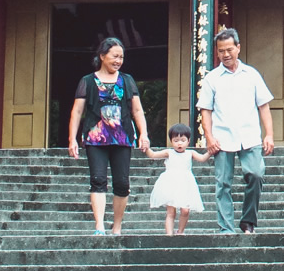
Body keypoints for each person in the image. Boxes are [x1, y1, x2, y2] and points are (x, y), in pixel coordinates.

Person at [66, 37, 151, 235]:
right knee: (98, 179)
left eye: (121, 57)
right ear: (102, 56)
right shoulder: (87, 81)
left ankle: (117, 226)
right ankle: (99, 225)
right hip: (96, 138)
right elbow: (77, 112)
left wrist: (143, 133)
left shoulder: (127, 80)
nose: (118, 61)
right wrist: (72, 139)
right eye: (114, 56)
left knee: (122, 183)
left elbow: (137, 110)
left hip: (122, 137)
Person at [197, 27, 275, 233]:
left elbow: (263, 106)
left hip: (250, 136)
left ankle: (248, 220)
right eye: (221, 50)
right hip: (222, 138)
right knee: (223, 184)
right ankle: (226, 228)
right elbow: (205, 110)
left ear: (238, 48)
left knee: (256, 174)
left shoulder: (252, 74)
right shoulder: (212, 78)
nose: (226, 54)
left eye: (230, 49)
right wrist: (209, 137)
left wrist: (269, 134)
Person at [146, 123, 207, 235]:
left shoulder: (190, 153)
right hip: (171, 184)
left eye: (182, 140)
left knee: (185, 210)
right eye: (176, 140)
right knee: (171, 211)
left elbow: (202, 158)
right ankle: (169, 235)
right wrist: (146, 148)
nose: (179, 143)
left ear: (188, 141)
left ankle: (180, 231)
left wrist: (211, 151)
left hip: (186, 184)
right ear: (171, 141)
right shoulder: (169, 153)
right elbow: (153, 155)